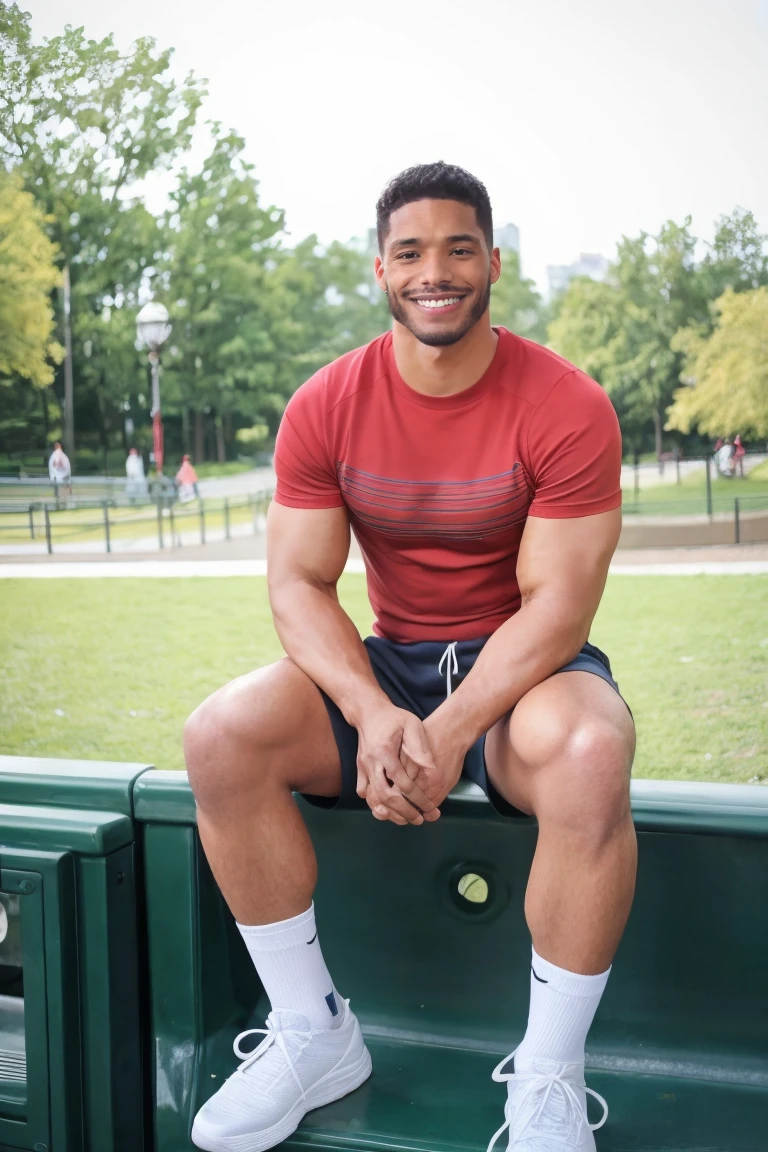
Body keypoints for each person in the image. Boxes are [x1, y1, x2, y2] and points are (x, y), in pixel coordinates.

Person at [184, 163, 636, 1152]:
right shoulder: (326, 403)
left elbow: (558, 607)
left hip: (523, 673)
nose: (437, 271)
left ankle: (550, 1081)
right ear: (382, 269)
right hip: (387, 666)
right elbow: (298, 586)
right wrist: (375, 710)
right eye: (412, 252)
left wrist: (448, 726)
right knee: (221, 736)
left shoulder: (567, 403)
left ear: (493, 264)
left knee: (593, 752)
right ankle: (315, 1034)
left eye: (459, 248)